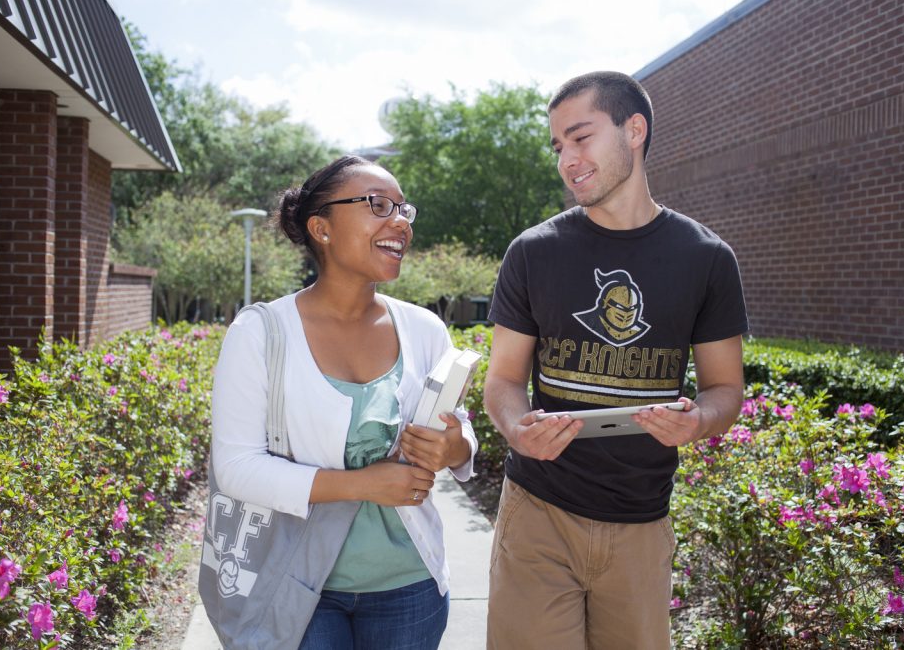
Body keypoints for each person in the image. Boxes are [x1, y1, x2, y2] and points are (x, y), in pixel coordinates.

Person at [484, 71, 749, 649]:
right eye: (558, 146)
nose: (566, 159)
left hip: (642, 523)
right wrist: (516, 428)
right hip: (538, 512)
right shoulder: (533, 252)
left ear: (634, 129)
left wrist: (699, 421)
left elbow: (725, 389)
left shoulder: (706, 258)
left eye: (580, 138)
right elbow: (502, 379)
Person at [211, 154, 477, 649]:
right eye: (378, 205)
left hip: (411, 587)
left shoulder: (424, 329)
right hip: (297, 585)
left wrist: (454, 447)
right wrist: (361, 485)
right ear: (322, 228)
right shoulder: (261, 333)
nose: (400, 220)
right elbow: (236, 467)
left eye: (403, 208)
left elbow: (457, 432)